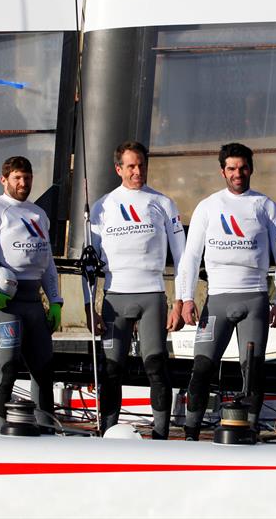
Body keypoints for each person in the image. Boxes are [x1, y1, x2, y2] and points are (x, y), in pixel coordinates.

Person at [180, 142, 276, 440]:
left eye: (243, 167)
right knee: (201, 368)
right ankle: (191, 432)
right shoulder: (208, 206)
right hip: (216, 300)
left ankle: (251, 428)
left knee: (252, 370)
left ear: (251, 169)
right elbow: (190, 256)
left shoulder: (266, 206)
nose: (238, 173)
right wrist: (187, 298)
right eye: (231, 168)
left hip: (254, 299)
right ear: (222, 171)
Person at [83, 141, 186, 439]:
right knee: (112, 370)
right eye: (130, 166)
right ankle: (109, 432)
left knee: (156, 365)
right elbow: (88, 262)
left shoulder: (163, 203)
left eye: (141, 165)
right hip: (115, 298)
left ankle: (161, 434)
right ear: (118, 169)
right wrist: (90, 307)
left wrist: (180, 301)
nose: (137, 171)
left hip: (152, 295)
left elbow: (182, 257)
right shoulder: (103, 206)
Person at [0, 156, 63, 432]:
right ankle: (0, 432)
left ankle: (47, 431)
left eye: (27, 177)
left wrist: (55, 301)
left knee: (44, 370)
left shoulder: (38, 214)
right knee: (6, 370)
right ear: (4, 180)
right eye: (17, 178)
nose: (23, 183)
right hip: (5, 302)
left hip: (34, 303)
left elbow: (47, 263)